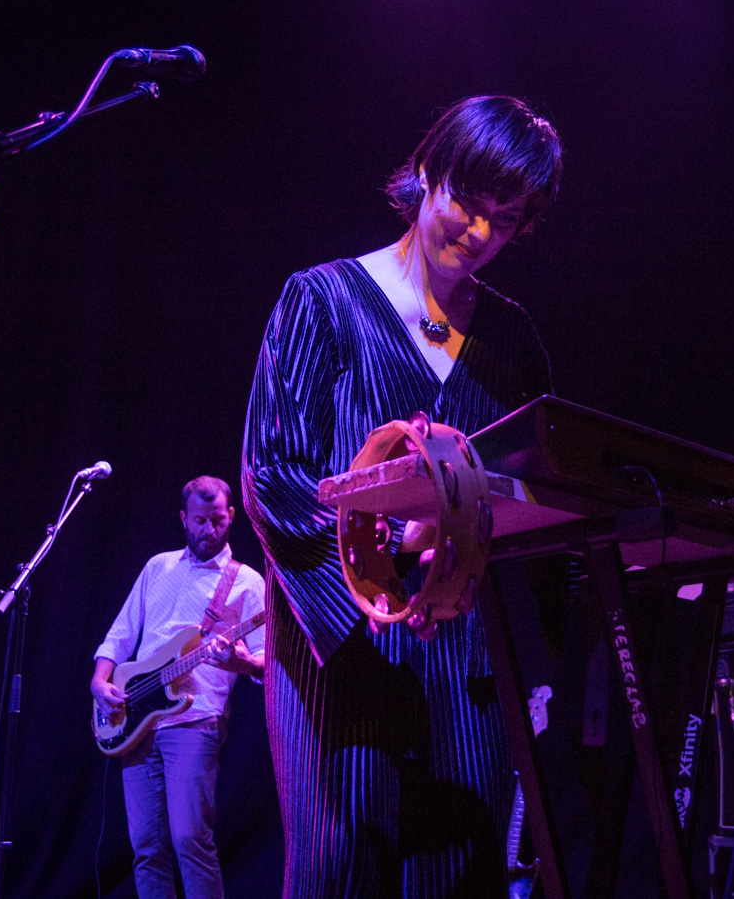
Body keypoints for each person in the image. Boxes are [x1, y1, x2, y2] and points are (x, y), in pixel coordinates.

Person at [242, 96, 562, 898]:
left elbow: (541, 486)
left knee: (463, 870)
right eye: (467, 202)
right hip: (344, 644)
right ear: (426, 173)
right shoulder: (323, 300)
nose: (480, 233)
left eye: (507, 219)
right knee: (344, 868)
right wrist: (383, 560)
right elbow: (273, 473)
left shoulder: (514, 339)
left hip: (469, 652)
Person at [92, 476, 267, 899]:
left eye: (219, 521)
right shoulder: (158, 567)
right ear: (183, 519)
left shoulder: (246, 582)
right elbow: (120, 634)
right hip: (134, 717)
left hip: (196, 717)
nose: (210, 530)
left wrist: (239, 661)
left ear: (231, 517)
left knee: (190, 840)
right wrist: (100, 681)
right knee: (147, 847)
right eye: (201, 521)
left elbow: (268, 663)